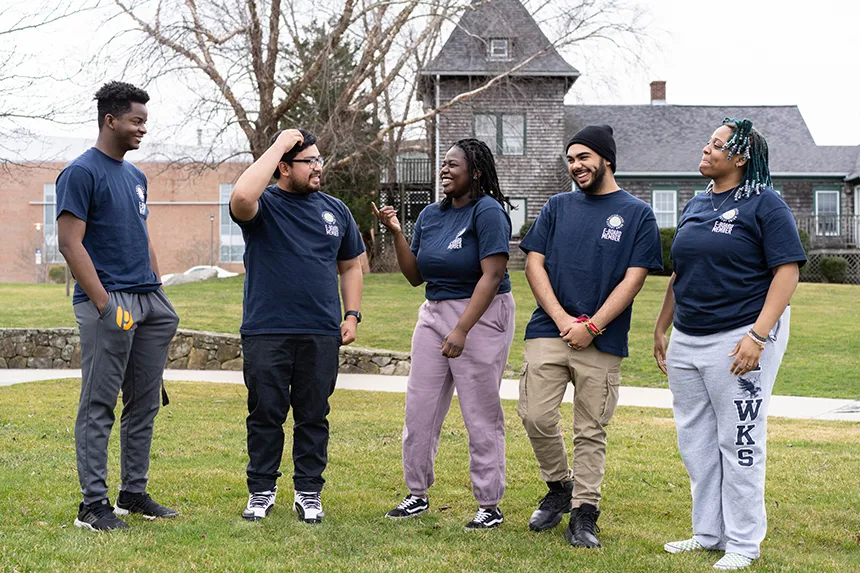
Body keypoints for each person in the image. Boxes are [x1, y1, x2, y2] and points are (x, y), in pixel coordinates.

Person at [654, 118, 806, 570]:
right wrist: (662, 326)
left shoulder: (765, 204)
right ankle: (708, 533)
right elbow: (682, 271)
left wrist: (757, 336)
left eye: (717, 145)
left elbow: (787, 272)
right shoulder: (698, 202)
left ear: (740, 157)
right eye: (708, 142)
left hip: (740, 336)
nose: (706, 149)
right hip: (688, 337)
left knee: (740, 441)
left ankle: (742, 543)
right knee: (697, 442)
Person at [518, 125, 663, 547]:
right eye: (570, 159)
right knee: (535, 415)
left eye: (583, 157)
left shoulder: (637, 213)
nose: (576, 165)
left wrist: (593, 326)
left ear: (606, 159)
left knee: (590, 428)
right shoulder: (557, 206)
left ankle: (584, 513)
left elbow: (634, 279)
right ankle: (559, 486)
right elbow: (534, 264)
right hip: (549, 328)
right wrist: (564, 319)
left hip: (603, 338)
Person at [373, 138, 515, 530]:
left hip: (480, 314)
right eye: (443, 164)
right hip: (433, 312)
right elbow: (415, 275)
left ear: (476, 172)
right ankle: (416, 493)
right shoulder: (431, 215)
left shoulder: (488, 212)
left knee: (479, 412)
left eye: (453, 164)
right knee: (419, 407)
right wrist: (397, 232)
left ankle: (489, 504)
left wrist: (462, 329)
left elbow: (493, 275)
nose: (444, 170)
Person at [57, 81, 181, 531]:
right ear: (110, 120)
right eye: (136, 120)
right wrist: (105, 305)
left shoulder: (135, 176)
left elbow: (141, 235)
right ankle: (92, 506)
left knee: (145, 403)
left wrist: (157, 289)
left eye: (145, 121)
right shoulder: (80, 173)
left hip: (148, 300)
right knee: (99, 404)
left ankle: (133, 493)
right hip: (109, 300)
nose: (143, 129)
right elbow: (70, 244)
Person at [230, 128, 364, 524]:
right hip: (266, 330)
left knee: (313, 415)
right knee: (265, 414)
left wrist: (352, 314)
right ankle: (261, 490)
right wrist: (278, 145)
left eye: (320, 160)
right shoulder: (263, 207)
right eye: (310, 161)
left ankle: (308, 491)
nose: (319, 167)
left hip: (320, 331)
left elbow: (350, 266)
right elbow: (241, 198)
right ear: (284, 167)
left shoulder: (336, 210)